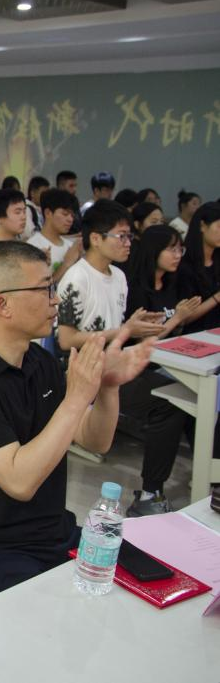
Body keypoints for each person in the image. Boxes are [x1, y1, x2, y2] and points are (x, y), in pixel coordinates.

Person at [0, 240, 153, 602]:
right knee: (60, 612)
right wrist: (76, 398)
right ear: (3, 304)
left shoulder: (39, 362)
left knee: (150, 580)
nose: (56, 299)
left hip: (51, 534)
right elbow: (20, 481)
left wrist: (107, 387)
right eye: (45, 289)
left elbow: (95, 440)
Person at [57, 200, 186, 515]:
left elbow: (116, 331)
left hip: (111, 363)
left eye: (130, 236)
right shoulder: (76, 278)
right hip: (83, 370)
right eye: (121, 236)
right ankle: (149, 493)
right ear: (96, 238)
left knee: (181, 392)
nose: (129, 243)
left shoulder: (119, 277)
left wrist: (134, 327)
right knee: (168, 405)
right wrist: (125, 330)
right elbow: (66, 340)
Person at [125, 225, 201, 337]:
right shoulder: (136, 289)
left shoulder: (171, 282)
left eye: (180, 250)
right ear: (153, 250)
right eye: (172, 250)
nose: (178, 256)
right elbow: (145, 339)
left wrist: (182, 318)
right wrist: (177, 317)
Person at [178, 202, 220, 332]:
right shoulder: (183, 265)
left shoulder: (217, 260)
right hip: (195, 335)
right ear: (202, 226)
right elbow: (183, 318)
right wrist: (217, 297)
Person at [26, 188, 81, 282]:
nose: (70, 219)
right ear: (48, 213)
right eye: (65, 214)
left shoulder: (71, 246)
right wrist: (67, 263)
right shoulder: (32, 246)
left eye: (72, 215)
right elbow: (39, 286)